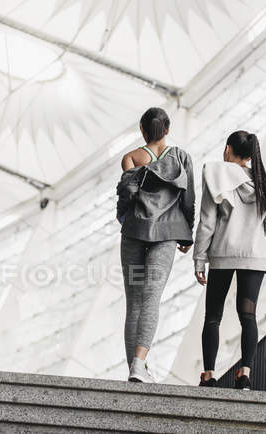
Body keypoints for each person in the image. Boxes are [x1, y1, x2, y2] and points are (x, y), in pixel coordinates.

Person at [116, 107, 196, 383]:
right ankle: (140, 363)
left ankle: (134, 369)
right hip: (167, 235)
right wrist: (188, 233)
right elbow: (189, 199)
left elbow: (127, 195)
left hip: (134, 235)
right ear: (168, 129)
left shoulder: (131, 158)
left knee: (134, 301)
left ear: (142, 130)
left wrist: (126, 216)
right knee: (151, 297)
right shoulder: (182, 158)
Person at [193, 130, 266, 390]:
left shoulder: (216, 173)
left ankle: (209, 375)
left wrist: (199, 259)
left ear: (228, 148)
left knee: (213, 317)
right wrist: (251, 235)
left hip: (223, 254)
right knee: (248, 316)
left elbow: (207, 221)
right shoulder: (265, 181)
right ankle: (245, 374)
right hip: (255, 255)